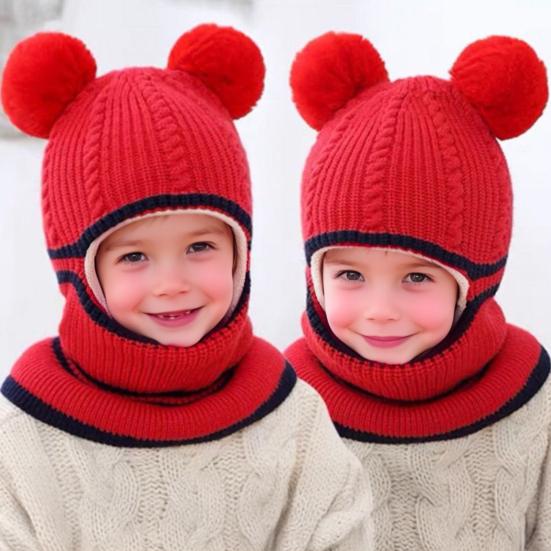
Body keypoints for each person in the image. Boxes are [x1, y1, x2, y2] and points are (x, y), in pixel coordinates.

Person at [0, 25, 371, 550]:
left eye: (199, 246)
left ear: (241, 251)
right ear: (77, 270)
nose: (172, 284)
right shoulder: (26, 437)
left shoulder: (289, 413)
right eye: (134, 257)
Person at [285, 31, 551, 550]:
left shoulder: (530, 395)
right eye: (351, 275)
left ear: (475, 279)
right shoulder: (286, 401)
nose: (380, 311)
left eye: (417, 277)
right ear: (314, 276)